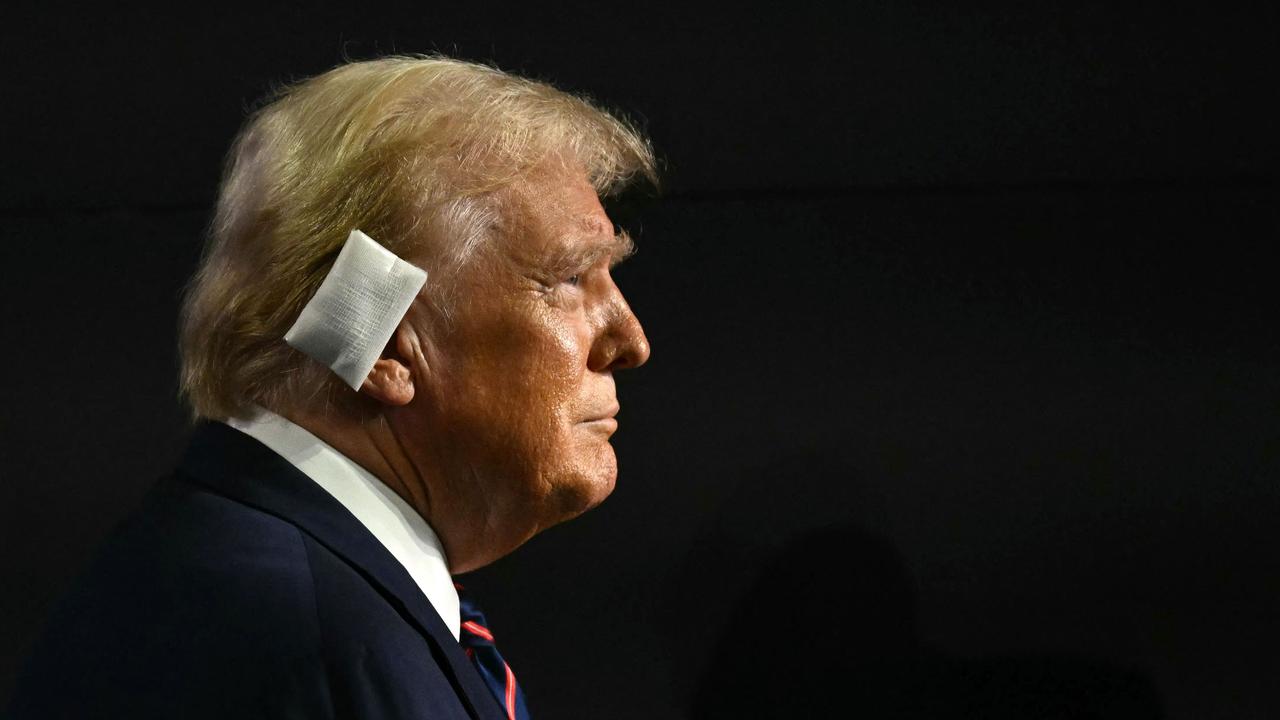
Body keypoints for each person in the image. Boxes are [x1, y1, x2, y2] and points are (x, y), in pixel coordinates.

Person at [7, 55, 655, 719]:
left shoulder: (225, 570)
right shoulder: (326, 652)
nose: (631, 341)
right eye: (572, 279)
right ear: (391, 347)